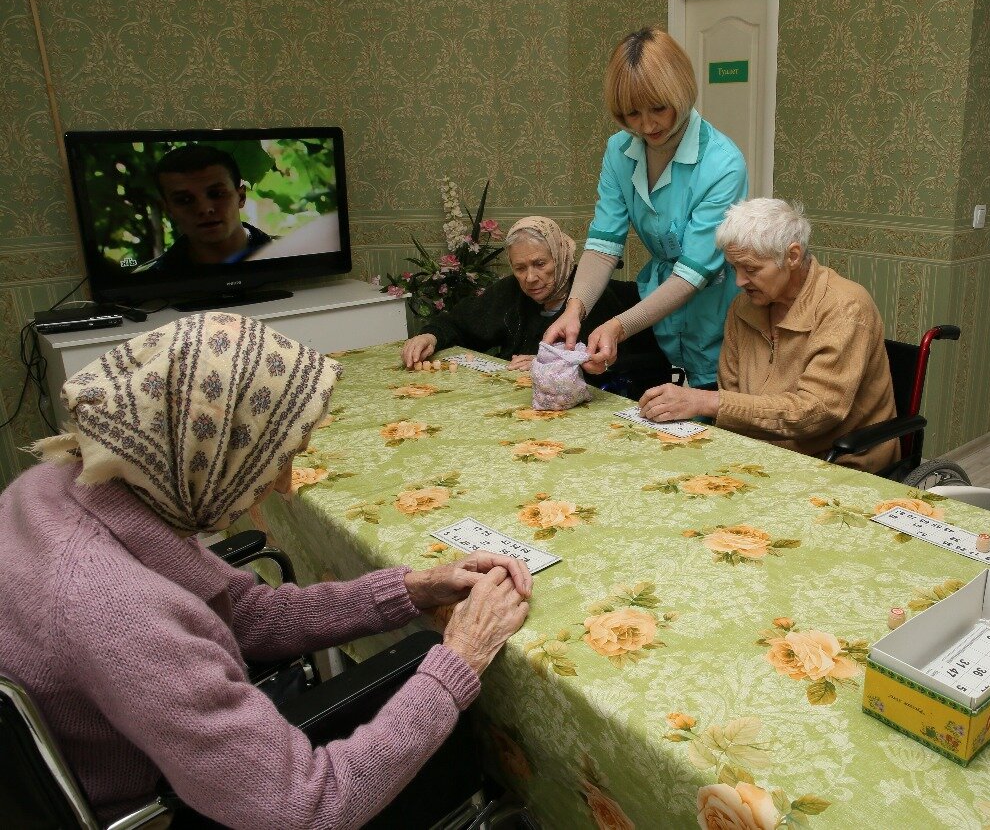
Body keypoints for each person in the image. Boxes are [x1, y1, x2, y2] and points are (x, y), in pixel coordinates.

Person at [0, 313, 532, 828]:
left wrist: (412, 589)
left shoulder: (61, 484)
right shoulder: (117, 609)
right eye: (279, 458)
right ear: (209, 452)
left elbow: (242, 615)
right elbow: (307, 807)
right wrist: (459, 659)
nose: (284, 484)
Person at [542, 26, 748, 389]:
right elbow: (603, 246)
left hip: (718, 311)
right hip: (662, 313)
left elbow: (691, 276)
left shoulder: (723, 163)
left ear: (682, 92)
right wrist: (574, 309)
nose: (647, 125)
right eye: (631, 113)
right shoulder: (619, 151)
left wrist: (620, 326)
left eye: (658, 108)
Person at [638, 198, 899, 472]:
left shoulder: (845, 307)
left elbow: (815, 412)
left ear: (793, 256)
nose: (739, 281)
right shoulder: (743, 307)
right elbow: (733, 393)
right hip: (761, 455)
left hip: (836, 460)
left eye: (751, 269)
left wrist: (705, 401)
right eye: (733, 267)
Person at [401, 216, 671, 396]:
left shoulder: (596, 295)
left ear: (562, 257)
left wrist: (555, 367)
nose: (530, 278)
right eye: (520, 268)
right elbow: (460, 323)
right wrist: (430, 334)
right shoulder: (510, 292)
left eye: (540, 264)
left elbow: (631, 368)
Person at [136, 144, 273, 273]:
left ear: (241, 197)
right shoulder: (148, 279)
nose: (204, 209)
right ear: (168, 209)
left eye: (217, 194)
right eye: (184, 200)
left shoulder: (288, 253)